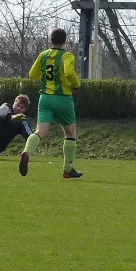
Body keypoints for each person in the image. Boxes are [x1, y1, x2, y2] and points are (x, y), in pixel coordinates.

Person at [19, 28, 82, 178]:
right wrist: (76, 84)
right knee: (70, 133)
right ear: (64, 40)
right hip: (63, 98)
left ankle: (26, 151)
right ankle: (67, 170)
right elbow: (68, 72)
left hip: (45, 98)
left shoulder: (44, 55)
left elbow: (32, 74)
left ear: (51, 40)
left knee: (39, 132)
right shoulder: (67, 56)